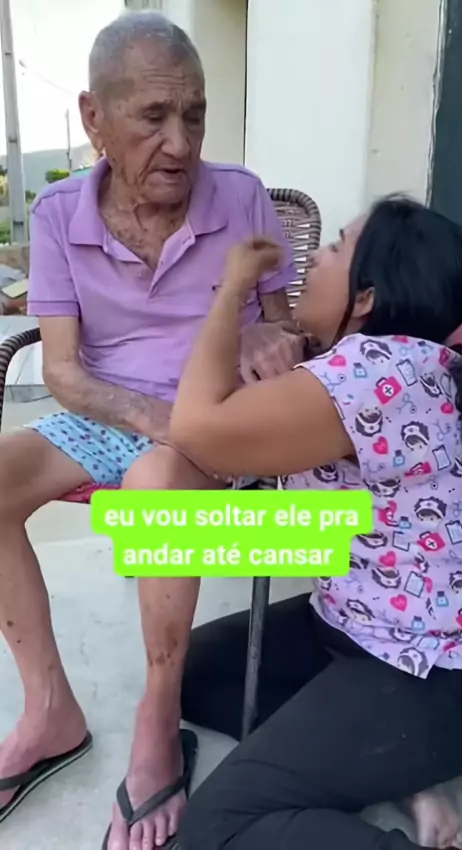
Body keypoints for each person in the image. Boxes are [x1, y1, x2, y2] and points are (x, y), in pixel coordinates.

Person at [0, 11, 304, 850]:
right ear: (94, 117)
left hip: (215, 419)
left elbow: (282, 323)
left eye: (195, 115)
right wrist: (156, 420)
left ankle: (159, 717)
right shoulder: (58, 214)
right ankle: (50, 710)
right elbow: (64, 371)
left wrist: (267, 336)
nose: (181, 143)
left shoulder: (239, 195)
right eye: (154, 117)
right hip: (110, 411)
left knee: (154, 486)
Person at [168, 197, 462, 850]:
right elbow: (324, 521)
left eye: (336, 247)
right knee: (191, 673)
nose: (314, 258)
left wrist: (233, 287)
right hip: (359, 622)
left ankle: (401, 763)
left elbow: (195, 429)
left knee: (219, 828)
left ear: (366, 297)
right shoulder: (394, 364)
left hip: (432, 669)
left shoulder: (377, 372)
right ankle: (402, 776)